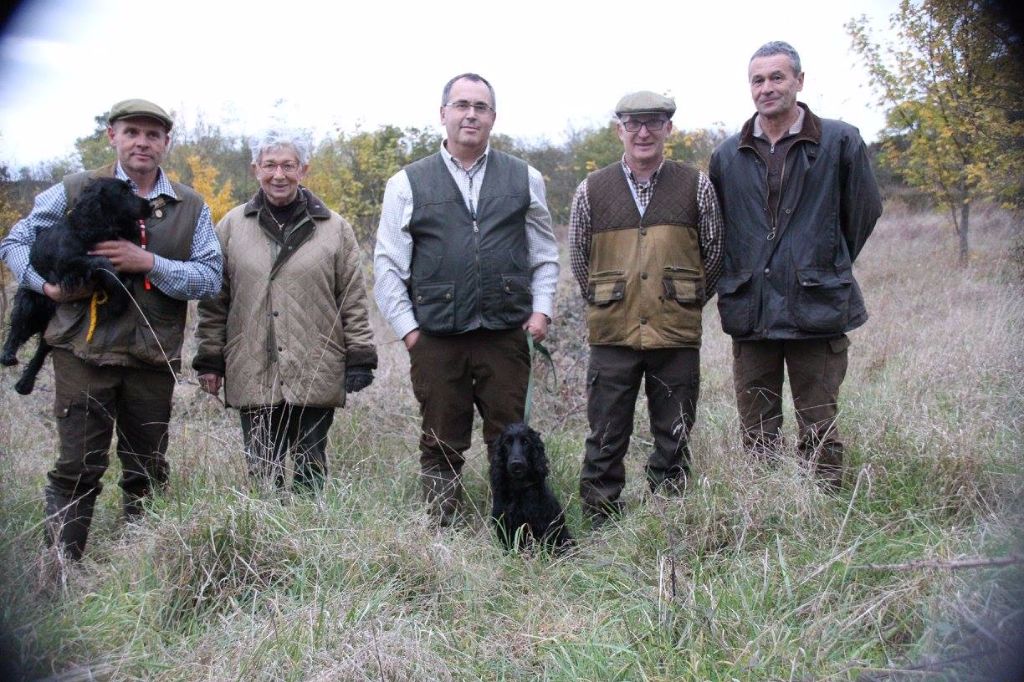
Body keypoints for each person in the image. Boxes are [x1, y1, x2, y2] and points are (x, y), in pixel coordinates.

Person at [0, 98, 223, 560]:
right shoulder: (73, 189)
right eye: (132, 132)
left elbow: (210, 276)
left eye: (153, 135)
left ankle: (142, 568)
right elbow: (15, 241)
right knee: (78, 465)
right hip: (82, 351)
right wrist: (46, 286)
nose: (142, 142)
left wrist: (151, 263)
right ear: (113, 136)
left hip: (151, 355)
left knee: (147, 467)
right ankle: (59, 570)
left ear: (165, 143)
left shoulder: (189, 205)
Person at [373, 73, 559, 526]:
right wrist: (411, 333)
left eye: (480, 106)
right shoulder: (407, 183)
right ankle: (443, 527)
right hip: (437, 338)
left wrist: (541, 311)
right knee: (440, 439)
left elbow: (545, 253)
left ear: (493, 117)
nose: (470, 114)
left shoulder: (524, 177)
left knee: (509, 438)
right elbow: (387, 266)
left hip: (505, 335)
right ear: (443, 115)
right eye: (461, 105)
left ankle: (512, 528)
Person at [708, 41, 883, 489]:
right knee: (756, 425)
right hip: (753, 310)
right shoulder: (727, 154)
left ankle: (822, 508)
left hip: (816, 309)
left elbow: (862, 212)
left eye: (777, 77)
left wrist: (821, 262)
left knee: (819, 422)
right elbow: (720, 228)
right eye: (758, 80)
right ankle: (765, 507)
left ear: (799, 82)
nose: (767, 88)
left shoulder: (840, 141)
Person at [569, 91, 723, 525]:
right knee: (605, 436)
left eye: (653, 122)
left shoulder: (696, 184)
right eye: (633, 123)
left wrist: (680, 299)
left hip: (674, 333)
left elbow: (713, 253)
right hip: (612, 333)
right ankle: (601, 520)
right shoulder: (591, 190)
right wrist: (611, 300)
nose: (643, 132)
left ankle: (668, 519)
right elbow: (580, 258)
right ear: (619, 130)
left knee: (674, 434)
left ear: (668, 129)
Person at [193, 130, 377, 493]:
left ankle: (310, 540)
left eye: (288, 165)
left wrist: (360, 356)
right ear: (255, 170)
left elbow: (352, 296)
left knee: (311, 465)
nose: (279, 175)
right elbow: (215, 300)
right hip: (251, 363)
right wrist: (210, 358)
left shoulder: (335, 229)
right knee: (263, 469)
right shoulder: (230, 226)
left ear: (303, 170)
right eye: (270, 165)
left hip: (316, 364)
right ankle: (268, 543)